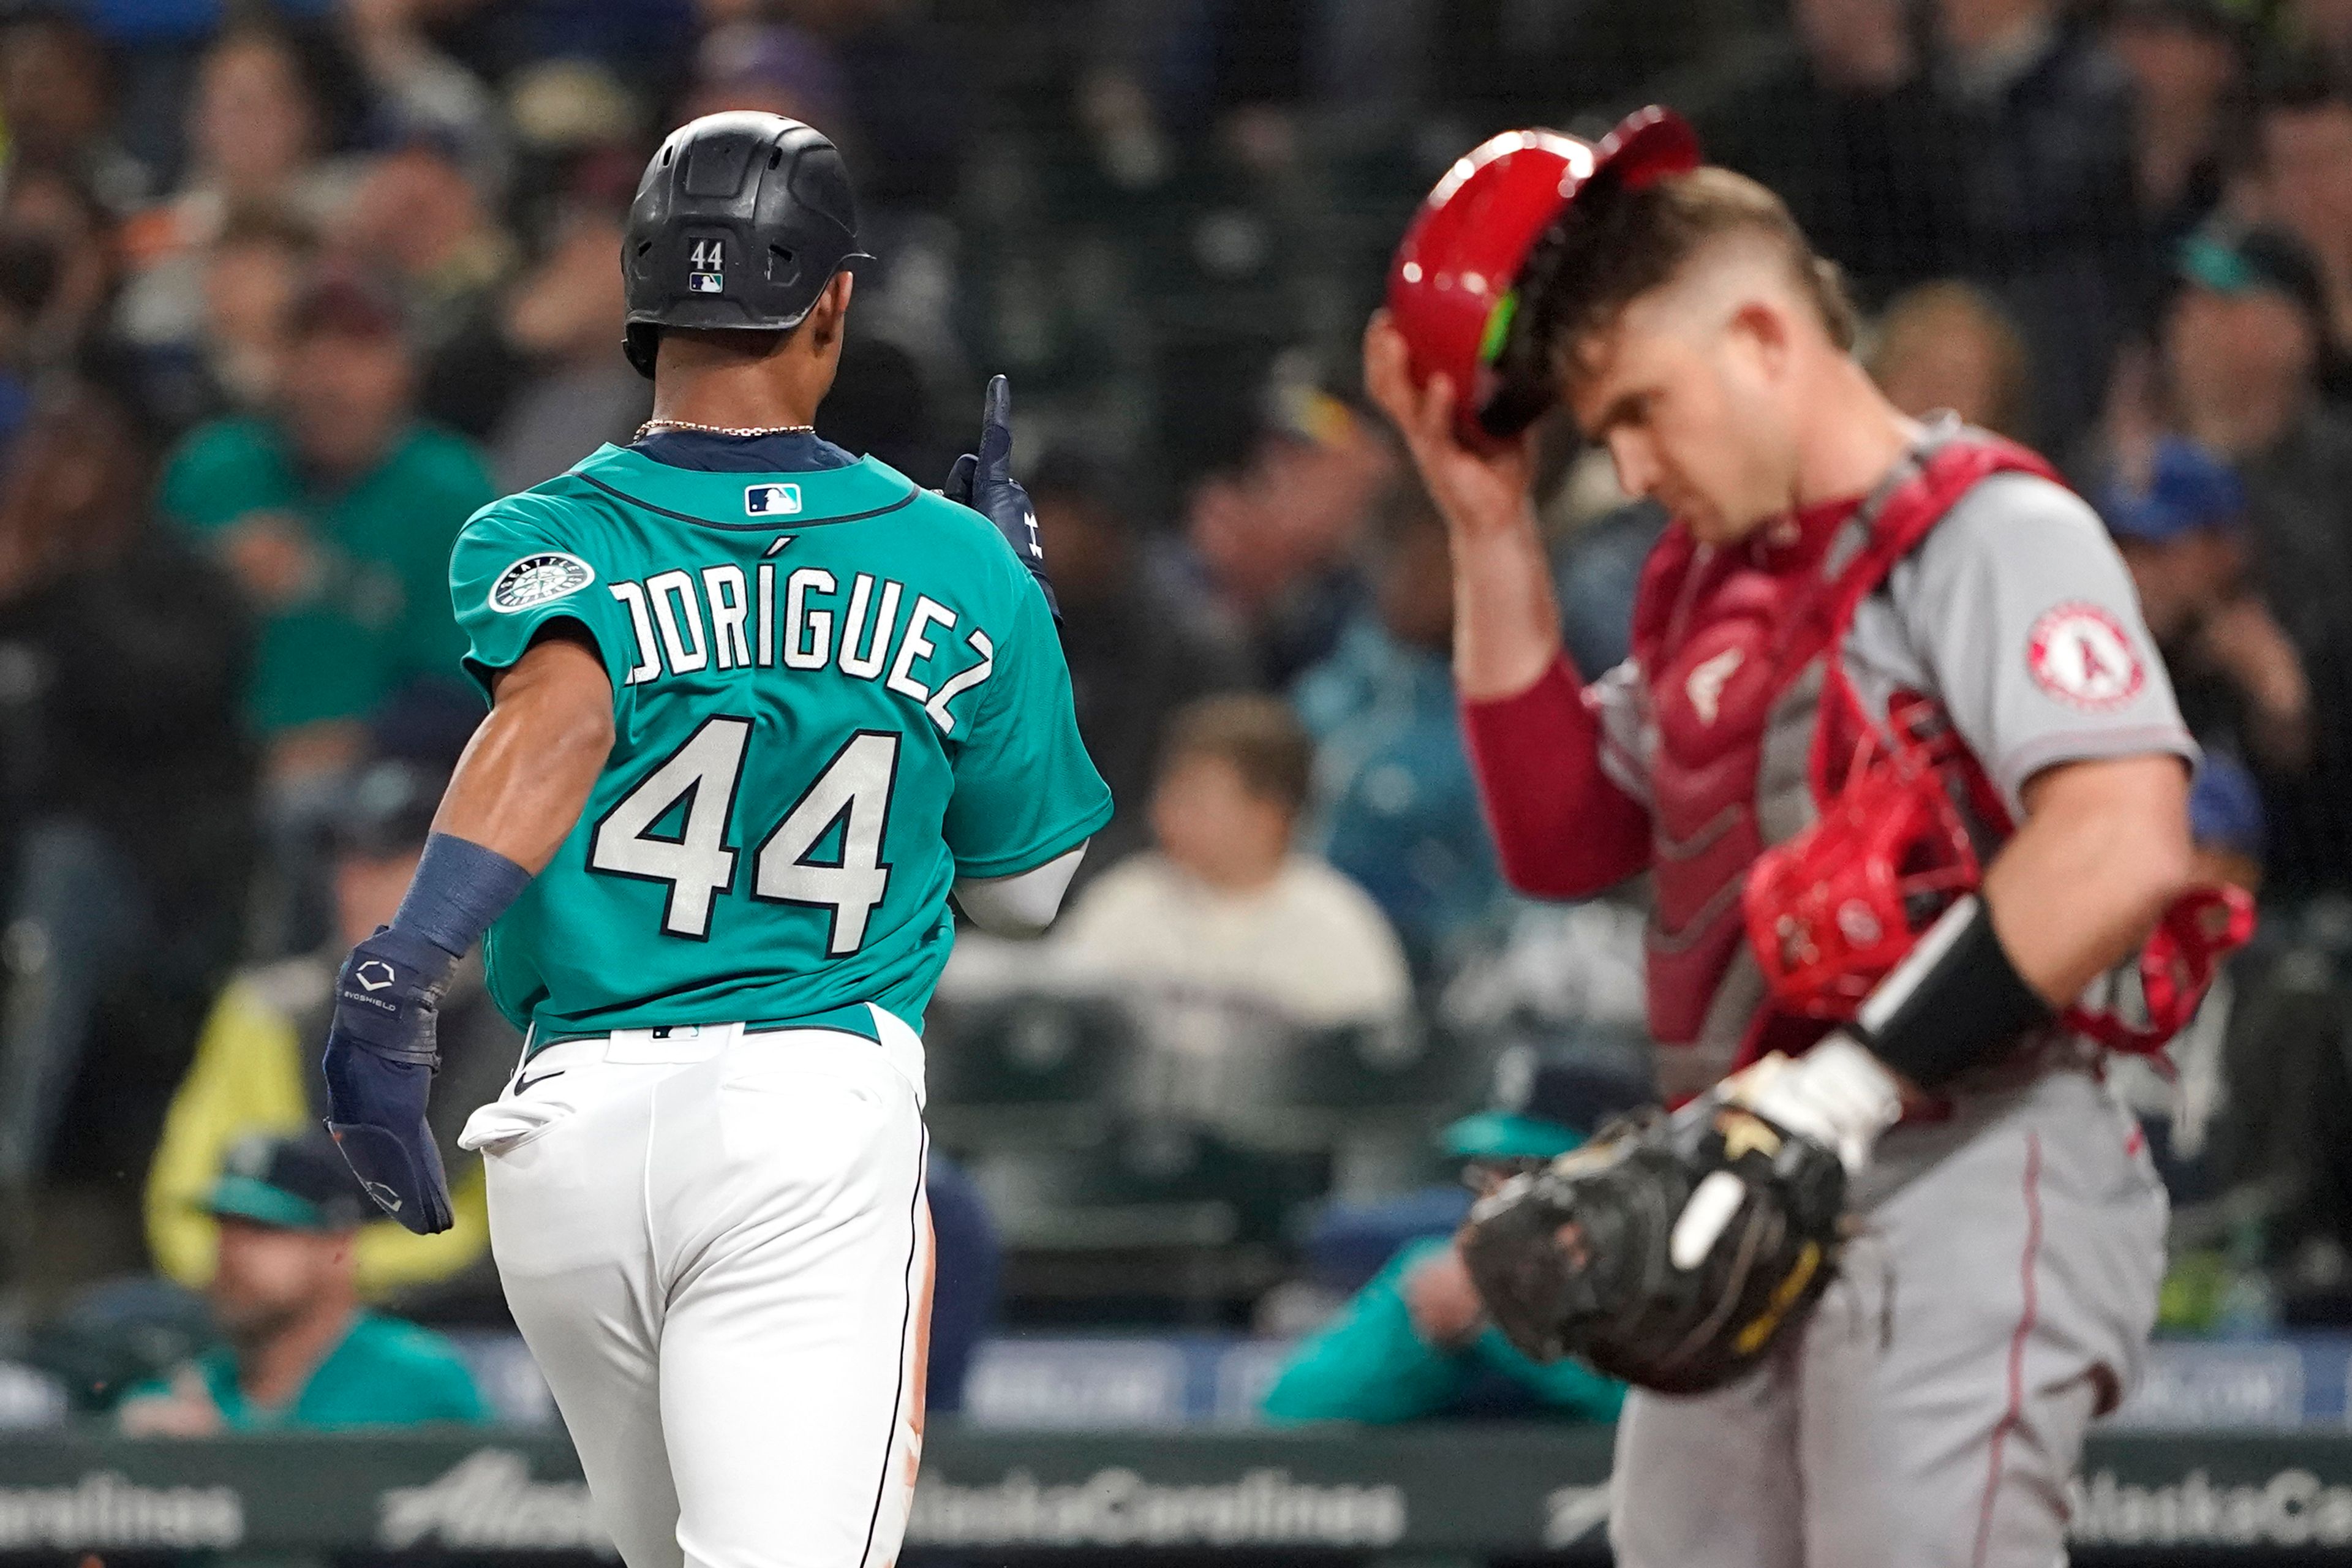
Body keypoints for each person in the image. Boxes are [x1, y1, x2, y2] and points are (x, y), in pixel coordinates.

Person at [1370, 109, 2222, 1566]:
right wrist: (1487, 531)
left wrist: (1843, 1087)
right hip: (1757, 1182)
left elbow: (2120, 833)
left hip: (1969, 1156)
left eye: (1640, 408)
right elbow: (1566, 836)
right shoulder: (1722, 584)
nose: (1628, 468)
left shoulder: (1987, 528)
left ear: (1762, 338)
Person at [316, 114, 1107, 1568]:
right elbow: (1027, 890)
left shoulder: (530, 529)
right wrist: (1013, 610)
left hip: (566, 1143)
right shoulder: (953, 560)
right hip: (801, 1117)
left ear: (639, 292)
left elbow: (554, 716)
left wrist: (405, 961)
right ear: (832, 297)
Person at [145, 758, 518, 1311]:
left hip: (461, 1316)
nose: (356, 884)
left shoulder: (519, 1021)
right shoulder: (269, 1009)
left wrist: (322, 1269)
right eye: (348, 860)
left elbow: (489, 1233)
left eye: (392, 862)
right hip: (271, 1307)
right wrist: (261, 1272)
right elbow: (181, 1200)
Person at [159, 270, 496, 790]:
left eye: (359, 351)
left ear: (406, 369)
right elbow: (130, 642)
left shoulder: (453, 491)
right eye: (309, 350)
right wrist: (207, 583)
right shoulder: (213, 470)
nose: (329, 379)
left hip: (381, 778)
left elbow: (477, 685)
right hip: (195, 767)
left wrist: (353, 743)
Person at [1262, 1049, 1642, 1425]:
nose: (1496, 1199)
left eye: (1528, 1173)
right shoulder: (1455, 1271)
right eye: (1487, 1175)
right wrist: (1425, 1343)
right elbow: (1288, 1407)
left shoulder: (1662, 1279)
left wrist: (1504, 1327)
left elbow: (1651, 1407)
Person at [1042, 694, 1412, 1033]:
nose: (1165, 815)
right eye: (1168, 793)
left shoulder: (1337, 926)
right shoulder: (1125, 900)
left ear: (1269, 817)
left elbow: (1374, 1070)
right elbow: (1059, 1031)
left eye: (1196, 801)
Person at [118, 1131, 486, 1434]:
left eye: (265, 1230)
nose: (234, 1254)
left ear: (338, 1248)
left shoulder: (417, 1384)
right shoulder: (187, 1388)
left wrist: (228, 1459)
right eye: (225, 1229)